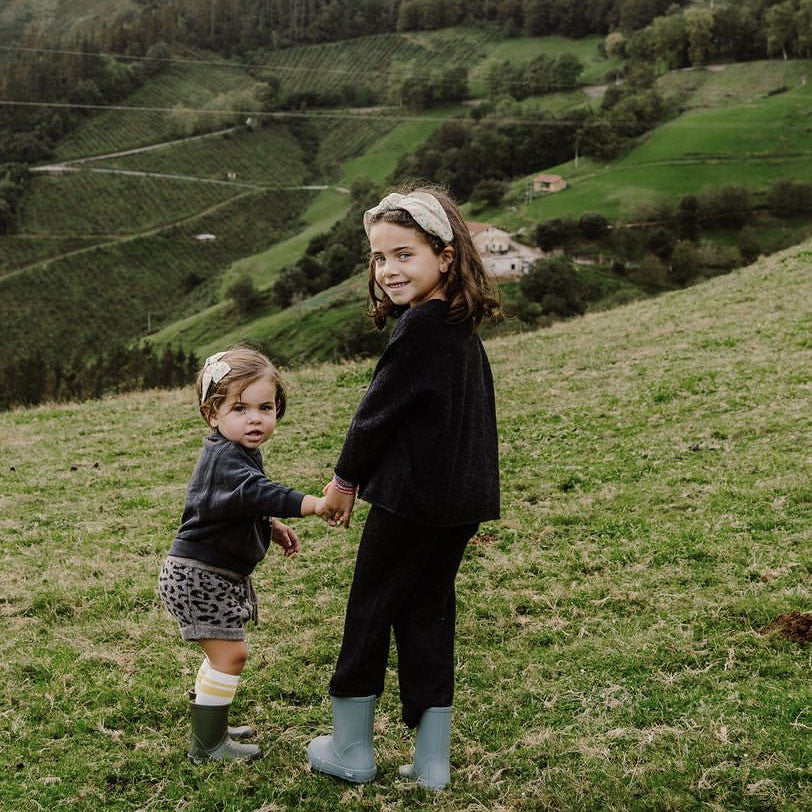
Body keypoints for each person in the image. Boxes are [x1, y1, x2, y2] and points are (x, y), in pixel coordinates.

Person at [307, 187, 501, 790]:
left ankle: (351, 748)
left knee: (370, 610)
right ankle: (431, 760)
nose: (388, 270)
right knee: (428, 613)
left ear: (445, 257)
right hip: (457, 501)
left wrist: (342, 483)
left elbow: (375, 414)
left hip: (410, 501)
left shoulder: (420, 327)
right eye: (378, 258)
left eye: (403, 255)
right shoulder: (458, 324)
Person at [158, 345, 327, 763]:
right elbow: (255, 491)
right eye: (239, 408)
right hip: (199, 576)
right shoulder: (225, 458)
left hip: (205, 573)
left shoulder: (234, 452)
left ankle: (211, 725)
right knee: (231, 655)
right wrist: (314, 504)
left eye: (265, 407)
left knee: (223, 655)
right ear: (212, 415)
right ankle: (208, 745)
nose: (254, 418)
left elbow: (231, 506)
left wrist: (270, 525)